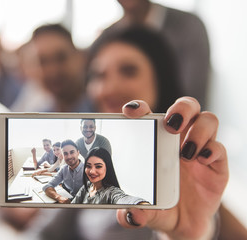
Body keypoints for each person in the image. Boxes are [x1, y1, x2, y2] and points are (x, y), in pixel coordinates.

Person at [22, 27, 236, 239]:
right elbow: (45, 231)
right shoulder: (99, 153)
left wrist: (184, 235)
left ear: (159, 79)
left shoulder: (184, 174)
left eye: (128, 71)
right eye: (98, 75)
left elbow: (202, 225)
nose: (108, 88)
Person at [105, 0, 210, 109]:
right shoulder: (107, 37)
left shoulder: (189, 26)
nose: (111, 88)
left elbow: (194, 97)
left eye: (129, 71)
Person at [28, 23, 94, 112]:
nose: (52, 71)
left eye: (61, 58)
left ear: (79, 57)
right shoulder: (42, 115)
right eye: (42, 61)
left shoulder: (103, 109)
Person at [72, 147, 148, 205]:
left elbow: (122, 198)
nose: (92, 171)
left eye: (98, 166)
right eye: (88, 166)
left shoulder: (111, 192)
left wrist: (141, 204)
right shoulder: (86, 187)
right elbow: (72, 207)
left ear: (107, 168)